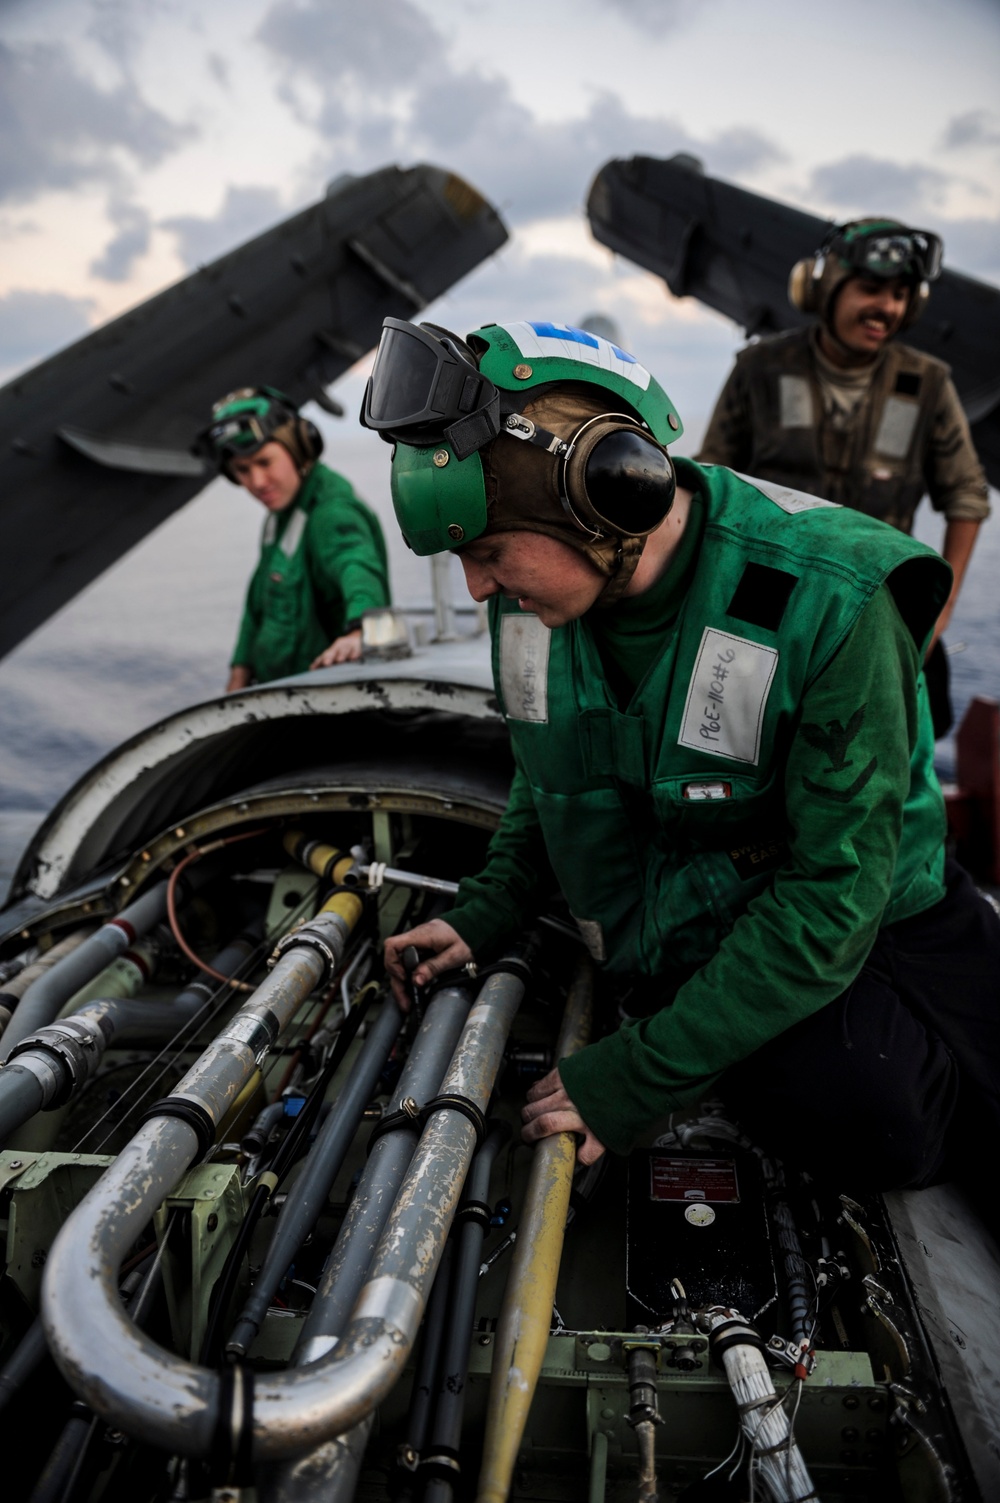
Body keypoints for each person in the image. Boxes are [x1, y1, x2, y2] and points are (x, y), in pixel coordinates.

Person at [361, 316, 1000, 1217]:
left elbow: (833, 896)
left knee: (879, 1116)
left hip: (873, 926)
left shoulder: (830, 598)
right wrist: (485, 911)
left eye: (488, 550)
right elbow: (548, 779)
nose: (476, 588)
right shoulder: (530, 611)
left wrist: (633, 1076)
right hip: (683, 941)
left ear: (603, 495)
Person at [697, 219, 990, 737]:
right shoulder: (760, 368)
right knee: (737, 739)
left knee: (881, 755)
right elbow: (710, 481)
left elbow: (966, 497)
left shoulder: (927, 384)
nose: (888, 308)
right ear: (822, 289)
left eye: (901, 296)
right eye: (871, 289)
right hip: (765, 602)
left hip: (880, 604)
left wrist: (938, 616)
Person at [196, 386, 391, 690]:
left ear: (299, 447)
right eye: (243, 470)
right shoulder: (280, 514)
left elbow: (357, 565)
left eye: (265, 462)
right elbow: (258, 601)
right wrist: (240, 668)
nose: (257, 483)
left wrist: (360, 630)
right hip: (280, 694)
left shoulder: (331, 512)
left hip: (327, 698)